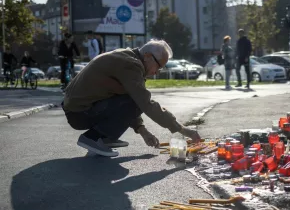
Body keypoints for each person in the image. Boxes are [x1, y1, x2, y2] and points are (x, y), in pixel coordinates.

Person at [62, 39, 201, 157]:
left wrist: (143, 131)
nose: (156, 73)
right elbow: (144, 103)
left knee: (133, 100)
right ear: (147, 56)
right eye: (158, 67)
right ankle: (93, 138)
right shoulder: (131, 65)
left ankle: (105, 138)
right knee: (138, 101)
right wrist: (184, 130)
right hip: (80, 113)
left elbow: (126, 98)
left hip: (79, 108)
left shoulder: (128, 58)